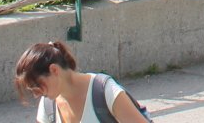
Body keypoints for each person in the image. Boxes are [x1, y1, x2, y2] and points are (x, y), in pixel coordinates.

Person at [13, 40, 151, 123]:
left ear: (54, 70)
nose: (37, 95)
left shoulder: (104, 91)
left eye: (37, 87)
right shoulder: (48, 105)